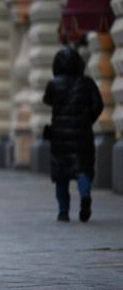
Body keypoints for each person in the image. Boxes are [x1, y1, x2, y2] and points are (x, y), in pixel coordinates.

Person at [43, 46, 103, 222]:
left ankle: (63, 211)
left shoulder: (54, 84)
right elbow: (98, 105)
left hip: (59, 135)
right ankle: (85, 196)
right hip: (83, 133)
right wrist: (87, 120)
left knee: (61, 175)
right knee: (82, 169)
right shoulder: (87, 83)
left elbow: (47, 100)